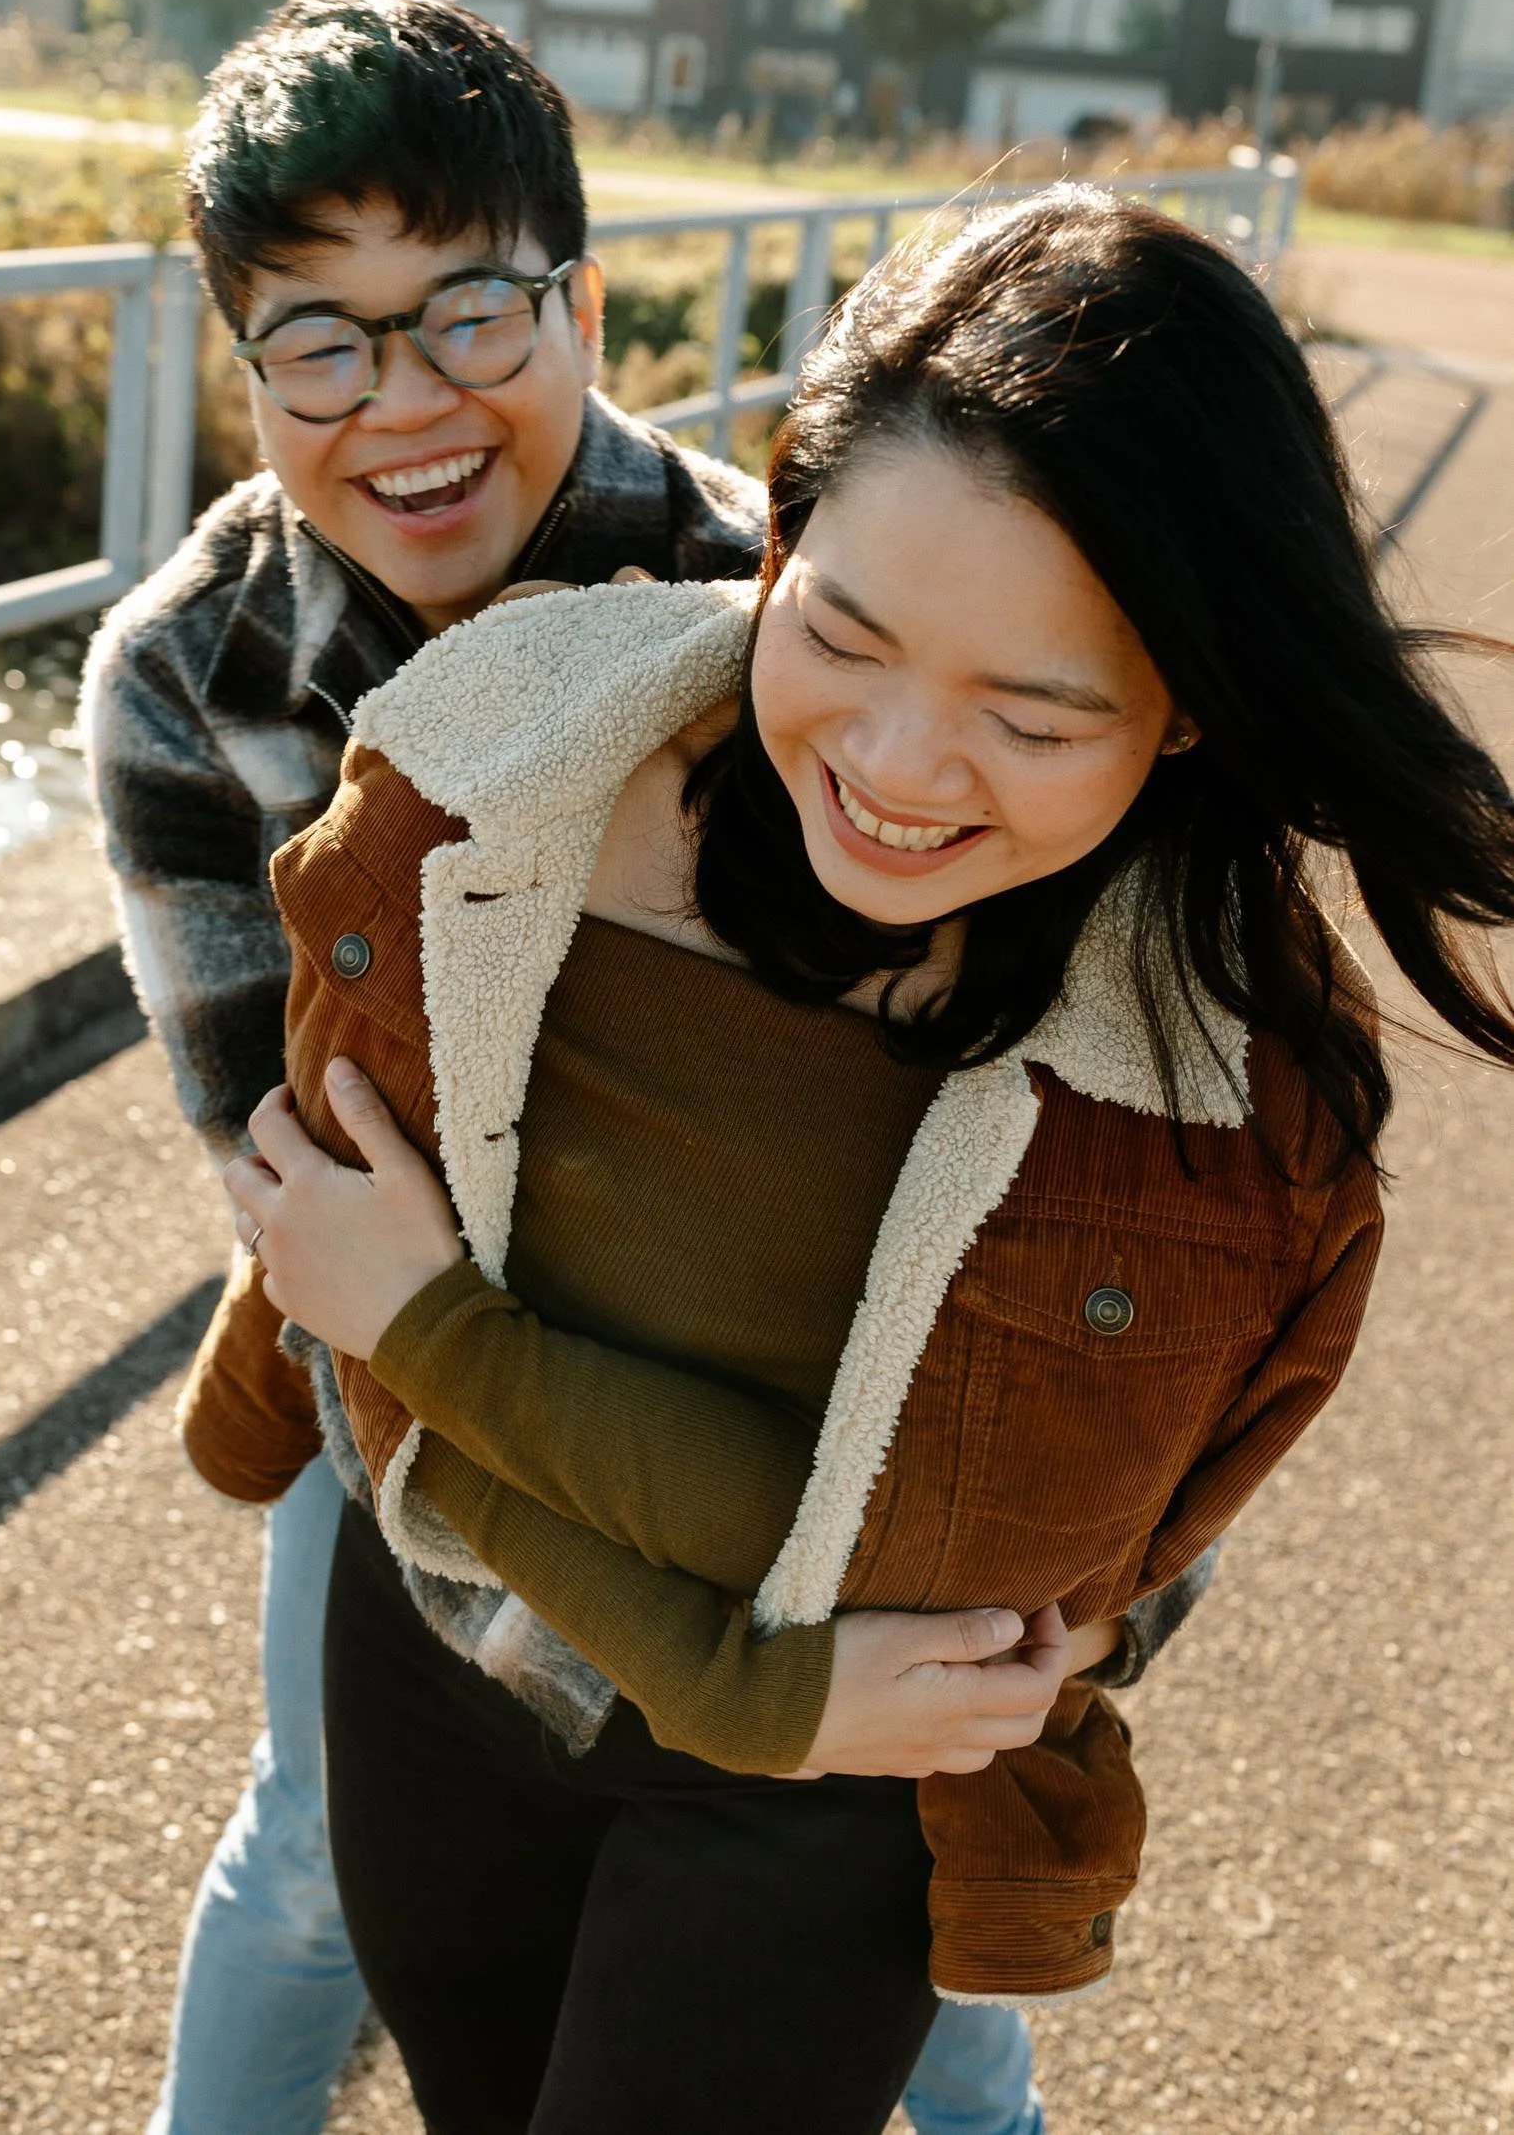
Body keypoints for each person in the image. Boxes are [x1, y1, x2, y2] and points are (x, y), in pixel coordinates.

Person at [195, 187, 1514, 2131]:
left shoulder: (1219, 1130)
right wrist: (371, 1338)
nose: (898, 765)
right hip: (444, 1651)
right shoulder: (497, 769)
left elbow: (897, 1569)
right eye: (844, 629)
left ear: (1177, 723)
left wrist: (424, 1328)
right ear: (779, 527)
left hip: (824, 1799)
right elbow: (339, 1251)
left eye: (1031, 709)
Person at [85, 0, 1156, 2135]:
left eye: (471, 310)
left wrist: (842, 1661)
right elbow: (309, 1195)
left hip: (775, 1379)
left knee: (906, 1882)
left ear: (581, 298)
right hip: (402, 1355)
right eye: (319, 336)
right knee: (311, 1849)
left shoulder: (777, 591)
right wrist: (732, 1687)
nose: (405, 400)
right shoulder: (186, 688)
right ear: (243, 363)